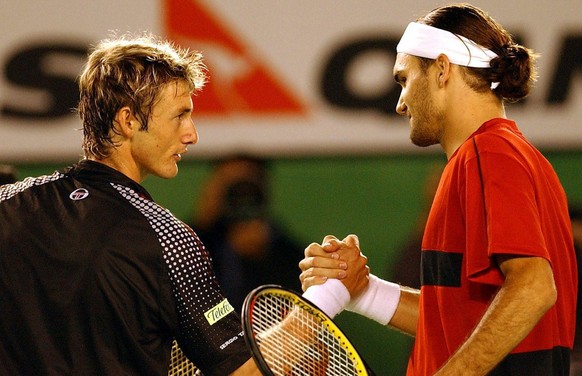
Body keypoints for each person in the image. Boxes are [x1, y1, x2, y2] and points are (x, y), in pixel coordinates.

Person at [299, 4, 577, 375]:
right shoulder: (508, 156)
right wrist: (364, 290)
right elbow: (454, 323)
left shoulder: (488, 153)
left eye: (404, 79)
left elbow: (534, 288)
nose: (400, 104)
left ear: (442, 70)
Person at [0, 33, 261, 375]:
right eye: (179, 115)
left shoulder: (7, 204)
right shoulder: (169, 239)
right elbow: (241, 371)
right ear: (128, 121)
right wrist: (326, 296)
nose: (192, 134)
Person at [190, 155, 304, 312]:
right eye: (232, 187)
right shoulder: (193, 243)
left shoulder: (288, 255)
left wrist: (262, 258)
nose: (241, 196)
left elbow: (297, 311)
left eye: (248, 186)